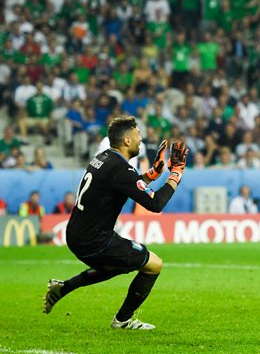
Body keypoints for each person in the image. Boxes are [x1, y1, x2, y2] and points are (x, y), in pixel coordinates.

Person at [43, 116, 189, 330]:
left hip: (78, 234)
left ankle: (63, 288)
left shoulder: (103, 158)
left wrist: (154, 173)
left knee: (118, 265)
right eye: (138, 135)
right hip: (95, 239)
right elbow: (155, 204)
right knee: (153, 265)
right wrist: (175, 173)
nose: (141, 140)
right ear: (127, 141)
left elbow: (126, 186)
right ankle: (122, 320)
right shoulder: (121, 169)